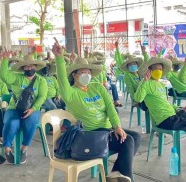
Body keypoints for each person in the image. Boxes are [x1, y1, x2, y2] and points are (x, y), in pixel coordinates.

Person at [52, 39, 140, 182]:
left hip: (107, 130)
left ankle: (116, 174)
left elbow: (110, 107)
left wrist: (117, 126)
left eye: (88, 72)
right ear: (74, 74)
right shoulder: (71, 93)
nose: (86, 74)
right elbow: (62, 79)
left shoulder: (97, 87)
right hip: (90, 134)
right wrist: (59, 58)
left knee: (136, 137)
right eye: (82, 72)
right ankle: (124, 177)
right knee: (128, 140)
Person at [0, 52, 48, 164]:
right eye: (26, 66)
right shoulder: (17, 78)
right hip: (14, 108)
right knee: (12, 123)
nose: (29, 68)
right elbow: (4, 76)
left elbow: (42, 97)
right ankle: (7, 149)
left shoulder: (41, 81)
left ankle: (24, 148)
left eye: (31, 66)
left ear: (36, 67)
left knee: (30, 121)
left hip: (32, 109)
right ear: (23, 68)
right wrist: (5, 60)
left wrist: (33, 109)